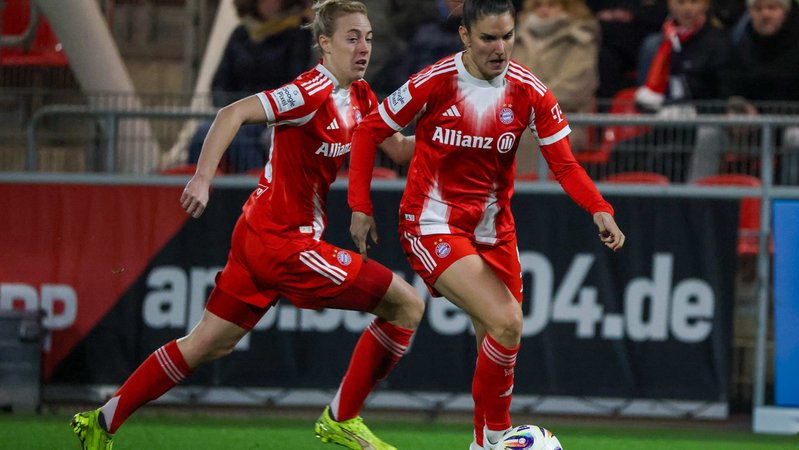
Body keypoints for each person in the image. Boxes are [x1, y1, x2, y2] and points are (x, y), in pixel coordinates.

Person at [70, 2, 423, 450]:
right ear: (325, 43)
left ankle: (101, 421)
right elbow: (230, 114)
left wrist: (454, 133)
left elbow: (399, 150)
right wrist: (202, 176)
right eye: (352, 37)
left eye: (368, 37)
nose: (363, 47)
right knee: (407, 306)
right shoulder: (307, 92)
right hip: (283, 244)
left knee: (206, 345)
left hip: (259, 235)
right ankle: (342, 419)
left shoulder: (361, 96)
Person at [347, 1, 625, 449]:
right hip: (431, 223)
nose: (500, 48)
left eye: (508, 36)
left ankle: (483, 441)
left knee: (496, 340)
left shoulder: (529, 90)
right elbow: (368, 131)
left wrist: (599, 207)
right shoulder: (434, 82)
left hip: (495, 232)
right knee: (508, 322)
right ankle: (495, 441)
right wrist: (360, 205)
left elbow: (565, 164)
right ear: (464, 36)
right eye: (488, 38)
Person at [188, 0, 314, 173]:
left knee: (239, 139)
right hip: (237, 113)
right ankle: (195, 194)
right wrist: (229, 109)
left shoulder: (299, 34)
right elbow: (219, 83)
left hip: (270, 115)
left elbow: (296, 83)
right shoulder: (240, 34)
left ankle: (256, 192)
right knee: (202, 134)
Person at [687, 0, 799, 183]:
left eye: (772, 8)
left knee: (796, 137)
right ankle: (697, 203)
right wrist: (735, 109)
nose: (765, 14)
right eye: (758, 9)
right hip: (748, 131)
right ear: (750, 13)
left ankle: (789, 204)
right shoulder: (739, 44)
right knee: (709, 133)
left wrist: (764, 116)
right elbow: (729, 88)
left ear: (784, 12)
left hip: (789, 124)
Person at [514, 0, 599, 151]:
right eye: (538, 5)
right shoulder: (516, 39)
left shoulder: (580, 40)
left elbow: (575, 87)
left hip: (564, 121)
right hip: (517, 117)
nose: (544, 10)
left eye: (552, 5)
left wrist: (530, 100)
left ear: (569, 8)